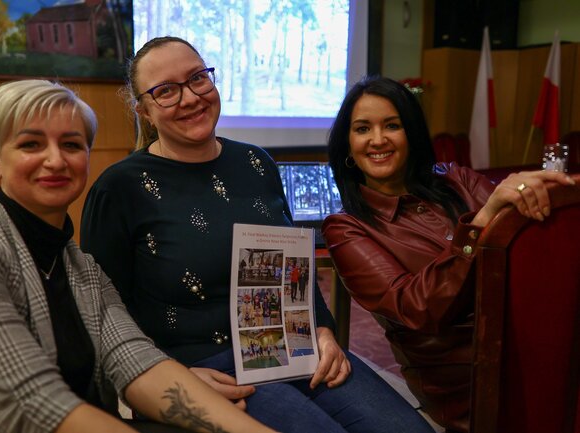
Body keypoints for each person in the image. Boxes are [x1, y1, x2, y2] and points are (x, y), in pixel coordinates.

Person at [80, 36, 435, 433]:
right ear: (143, 110)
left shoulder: (256, 162)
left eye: (197, 78)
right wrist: (165, 375)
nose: (190, 98)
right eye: (165, 91)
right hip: (202, 366)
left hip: (290, 346)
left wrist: (321, 329)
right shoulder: (120, 187)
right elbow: (102, 312)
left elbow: (293, 265)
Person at [0, 79, 278, 433]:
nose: (55, 160)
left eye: (71, 144)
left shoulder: (83, 269)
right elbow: (33, 403)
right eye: (31, 144)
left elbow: (139, 364)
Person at [321, 75, 576, 433]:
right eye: (363, 129)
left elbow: (525, 244)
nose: (378, 139)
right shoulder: (346, 228)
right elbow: (417, 309)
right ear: (348, 145)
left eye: (392, 125)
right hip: (469, 378)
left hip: (531, 339)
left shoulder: (458, 180)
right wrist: (481, 223)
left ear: (411, 133)